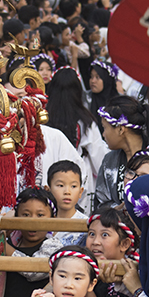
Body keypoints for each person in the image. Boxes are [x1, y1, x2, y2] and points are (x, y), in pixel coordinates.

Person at [46, 67, 108, 207]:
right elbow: (97, 156)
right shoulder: (85, 120)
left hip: (50, 177)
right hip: (77, 180)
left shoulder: (43, 117)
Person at [94, 95, 149, 210]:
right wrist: (118, 210)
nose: (103, 135)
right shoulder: (109, 160)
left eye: (105, 128)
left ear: (120, 129)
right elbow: (100, 203)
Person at [45, 160, 87, 246]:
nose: (67, 192)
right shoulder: (41, 219)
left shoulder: (86, 224)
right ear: (47, 190)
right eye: (60, 185)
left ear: (80, 192)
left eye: (73, 186)